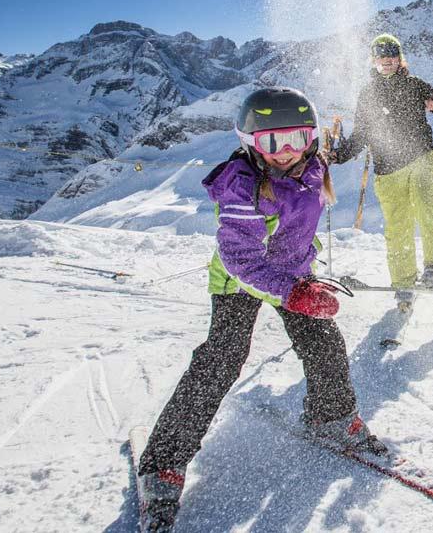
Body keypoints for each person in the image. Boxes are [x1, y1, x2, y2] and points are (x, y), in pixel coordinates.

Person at [136, 87, 386, 531]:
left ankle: (331, 416)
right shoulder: (242, 185)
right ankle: (163, 464)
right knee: (223, 357)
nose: (285, 153)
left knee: (323, 338)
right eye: (272, 142)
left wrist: (304, 276)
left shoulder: (313, 165)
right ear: (250, 141)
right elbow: (241, 259)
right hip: (239, 280)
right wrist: (292, 293)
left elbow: (298, 226)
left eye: (296, 139)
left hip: (291, 273)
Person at [334, 34, 433, 297]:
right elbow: (360, 135)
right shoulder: (368, 94)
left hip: (421, 158)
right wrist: (339, 154)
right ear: (374, 60)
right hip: (388, 171)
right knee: (397, 226)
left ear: (399, 57)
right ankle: (403, 281)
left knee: (426, 203)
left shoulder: (414, 84)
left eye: (392, 54)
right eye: (381, 55)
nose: (387, 60)